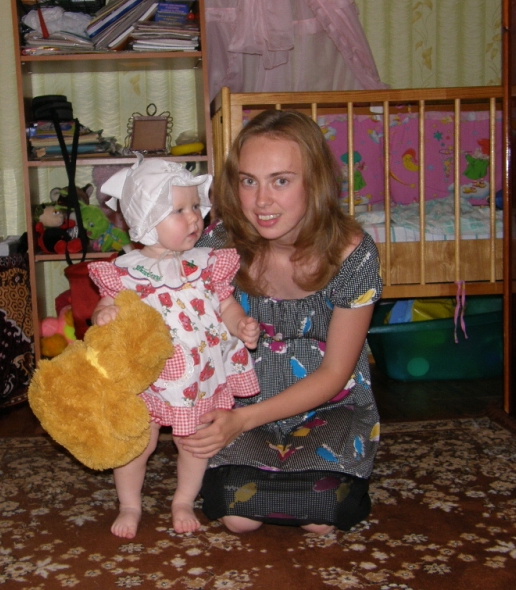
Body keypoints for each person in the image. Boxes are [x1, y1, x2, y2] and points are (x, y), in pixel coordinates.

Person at [178, 109, 383, 535]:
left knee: (319, 513)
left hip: (331, 404)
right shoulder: (218, 245)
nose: (261, 201)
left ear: (315, 182)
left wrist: (241, 423)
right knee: (237, 513)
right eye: (248, 181)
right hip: (241, 400)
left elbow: (335, 373)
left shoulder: (353, 254)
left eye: (281, 181)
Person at [88, 156, 261, 539]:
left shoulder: (206, 264)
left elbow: (226, 306)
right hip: (145, 378)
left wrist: (241, 325)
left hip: (195, 377)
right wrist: (104, 314)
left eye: (196, 207)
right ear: (147, 220)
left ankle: (183, 499)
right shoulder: (127, 272)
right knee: (136, 442)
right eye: (179, 210)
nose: (194, 218)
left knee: (194, 441)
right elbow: (105, 305)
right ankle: (130, 503)